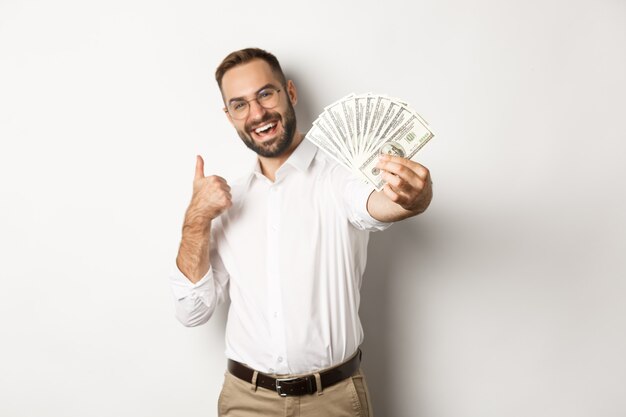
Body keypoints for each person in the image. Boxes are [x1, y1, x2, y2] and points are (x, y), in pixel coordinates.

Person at [169, 47, 433, 417]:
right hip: (247, 401)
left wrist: (412, 199)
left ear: (289, 93)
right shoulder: (227, 202)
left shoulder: (339, 176)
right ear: (229, 116)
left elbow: (377, 206)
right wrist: (196, 219)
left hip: (334, 400)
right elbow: (192, 312)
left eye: (266, 93)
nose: (257, 113)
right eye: (240, 104)